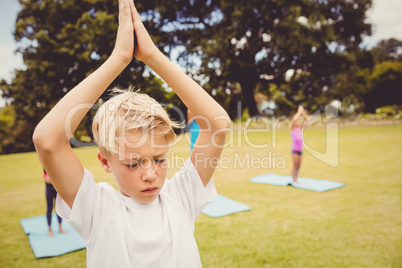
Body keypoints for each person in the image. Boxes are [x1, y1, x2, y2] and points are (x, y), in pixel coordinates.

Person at [32, 0, 230, 267]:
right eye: (134, 162)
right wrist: (119, 59)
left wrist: (152, 56)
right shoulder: (96, 209)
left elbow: (218, 124)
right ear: (105, 161)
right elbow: (47, 140)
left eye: (159, 159)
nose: (150, 174)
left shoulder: (181, 196)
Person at [43, 169, 67, 237]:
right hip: (49, 188)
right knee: (49, 208)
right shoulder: (45, 167)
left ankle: (60, 228)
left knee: (59, 208)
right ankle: (50, 230)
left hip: (56, 187)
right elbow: (48, 179)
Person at [290, 105, 308, 185]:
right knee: (295, 165)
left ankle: (296, 179)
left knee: (298, 166)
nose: (298, 121)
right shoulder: (292, 128)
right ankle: (294, 180)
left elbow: (308, 119)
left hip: (300, 150)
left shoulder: (301, 128)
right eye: (297, 120)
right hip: (294, 150)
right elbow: (294, 119)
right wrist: (299, 112)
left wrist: (303, 112)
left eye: (299, 120)